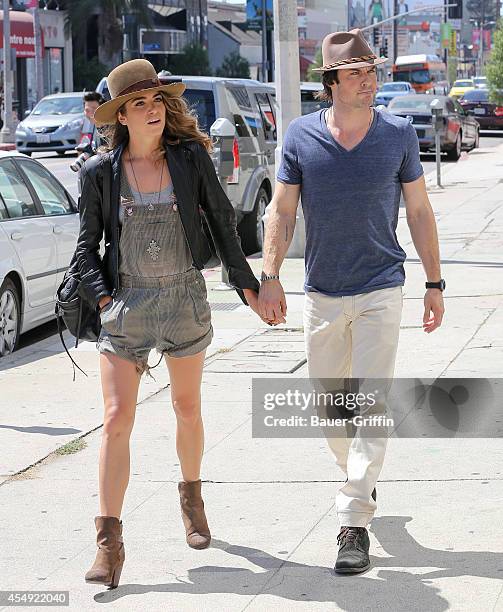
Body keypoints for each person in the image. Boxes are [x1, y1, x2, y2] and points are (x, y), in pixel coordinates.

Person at [258, 29, 445, 574]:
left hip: (382, 288)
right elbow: (283, 212)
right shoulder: (298, 138)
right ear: (332, 80)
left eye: (373, 71)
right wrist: (270, 274)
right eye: (359, 72)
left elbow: (418, 212)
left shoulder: (398, 135)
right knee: (329, 410)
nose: (370, 80)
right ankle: (359, 480)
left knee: (371, 404)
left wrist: (434, 283)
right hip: (322, 293)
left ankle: (353, 520)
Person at [78, 59, 263, 589]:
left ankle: (191, 497)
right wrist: (107, 299)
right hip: (127, 306)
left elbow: (224, 224)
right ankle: (108, 544)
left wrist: (248, 286)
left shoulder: (189, 158)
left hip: (184, 295)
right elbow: (86, 250)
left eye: (156, 100)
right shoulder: (99, 173)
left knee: (187, 408)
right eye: (140, 103)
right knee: (116, 420)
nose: (153, 109)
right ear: (122, 117)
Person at [70, 92, 105, 180]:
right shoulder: (95, 127)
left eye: (94, 109)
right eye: (87, 110)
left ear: (102, 108)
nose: (91, 113)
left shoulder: (110, 129)